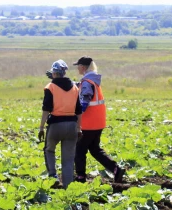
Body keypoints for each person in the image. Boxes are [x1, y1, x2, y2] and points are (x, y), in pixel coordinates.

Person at [73, 56, 124, 184]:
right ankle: (116, 169)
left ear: (83, 67)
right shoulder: (93, 80)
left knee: (79, 150)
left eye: (78, 66)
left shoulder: (87, 82)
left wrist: (76, 114)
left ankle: (80, 177)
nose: (77, 68)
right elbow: (79, 86)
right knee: (95, 149)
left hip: (88, 124)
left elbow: (85, 99)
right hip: (98, 122)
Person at [38, 60, 82, 189]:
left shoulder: (50, 87)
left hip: (56, 125)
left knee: (49, 150)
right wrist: (79, 128)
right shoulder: (75, 88)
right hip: (72, 126)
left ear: (54, 73)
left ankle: (53, 176)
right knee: (68, 159)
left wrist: (41, 128)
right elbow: (79, 110)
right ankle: (68, 187)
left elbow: (46, 108)